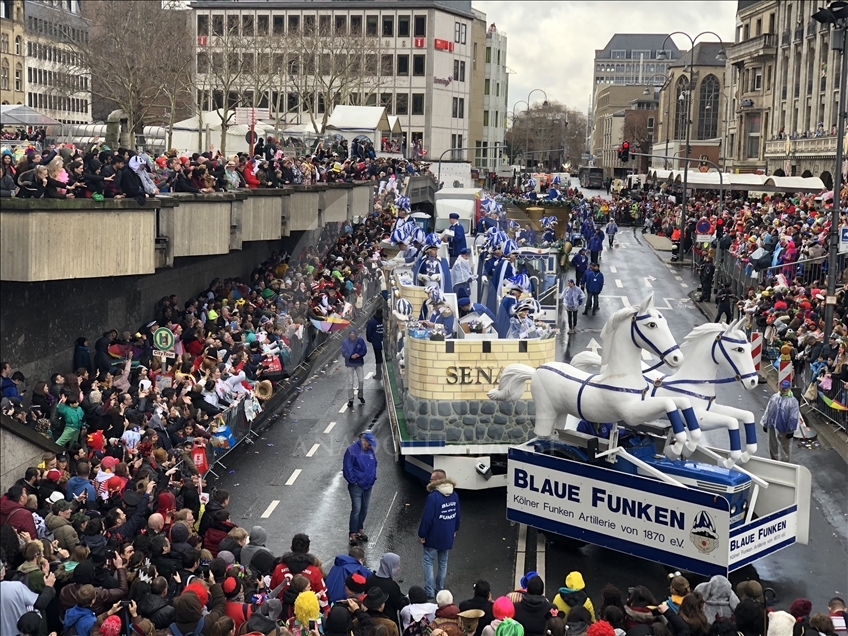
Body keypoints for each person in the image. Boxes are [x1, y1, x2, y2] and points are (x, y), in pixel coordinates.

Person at [418, 470, 461, 600]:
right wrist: (455, 529)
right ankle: (439, 588)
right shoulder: (454, 495)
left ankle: (429, 591)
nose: (429, 481)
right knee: (443, 563)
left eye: (431, 479)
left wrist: (422, 534)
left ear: (437, 481)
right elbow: (457, 515)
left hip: (433, 536)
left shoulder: (433, 497)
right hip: (447, 535)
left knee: (428, 562)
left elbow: (427, 518)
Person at [343, 430, 378, 546]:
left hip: (368, 484)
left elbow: (374, 463)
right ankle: (353, 533)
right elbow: (347, 468)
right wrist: (354, 481)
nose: (370, 446)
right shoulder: (352, 450)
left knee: (364, 509)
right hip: (357, 486)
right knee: (357, 509)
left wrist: (372, 478)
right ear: (364, 440)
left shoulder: (370, 450)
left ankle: (359, 529)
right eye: (369, 444)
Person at [366, 553, 409, 627]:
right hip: (389, 621)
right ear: (390, 566)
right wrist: (407, 599)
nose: (399, 568)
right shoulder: (392, 586)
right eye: (397, 566)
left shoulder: (370, 579)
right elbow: (400, 603)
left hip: (370, 619)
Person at [761, 379, 799, 462]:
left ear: (789, 388)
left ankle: (784, 463)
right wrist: (765, 422)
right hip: (772, 425)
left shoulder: (793, 401)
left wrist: (791, 430)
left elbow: (794, 416)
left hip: (784, 428)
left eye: (786, 388)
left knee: (785, 446)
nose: (784, 390)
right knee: (772, 444)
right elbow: (768, 410)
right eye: (783, 388)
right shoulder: (775, 397)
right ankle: (774, 460)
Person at [342, 329, 367, 408]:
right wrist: (350, 356)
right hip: (350, 363)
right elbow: (344, 352)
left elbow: (364, 350)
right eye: (351, 336)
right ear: (349, 335)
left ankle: (360, 395)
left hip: (359, 362)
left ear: (356, 335)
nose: (352, 338)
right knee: (350, 382)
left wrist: (359, 355)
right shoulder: (345, 342)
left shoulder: (360, 341)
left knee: (361, 380)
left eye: (354, 336)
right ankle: (351, 399)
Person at [366, 309, 385, 381]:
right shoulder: (384, 320)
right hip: (384, 342)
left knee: (378, 358)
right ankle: (383, 372)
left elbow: (368, 333)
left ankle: (379, 374)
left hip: (376, 343)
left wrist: (371, 340)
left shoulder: (372, 322)